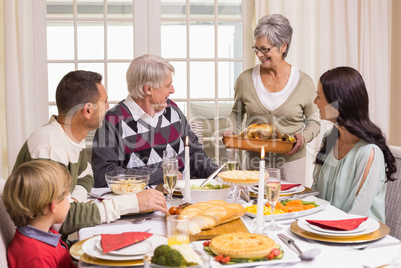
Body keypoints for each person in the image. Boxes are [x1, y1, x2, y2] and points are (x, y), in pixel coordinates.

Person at [13, 70, 168, 237]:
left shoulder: (70, 137)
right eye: (104, 102)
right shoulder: (49, 148)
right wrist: (131, 203)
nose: (109, 107)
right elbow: (58, 220)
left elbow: (86, 176)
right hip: (42, 249)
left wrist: (72, 201)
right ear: (87, 111)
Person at [91, 54, 218, 187]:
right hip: (141, 204)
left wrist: (219, 174)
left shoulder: (172, 109)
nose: (172, 90)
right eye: (168, 85)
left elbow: (193, 153)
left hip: (184, 198)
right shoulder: (113, 120)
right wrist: (159, 174)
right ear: (148, 89)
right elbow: (103, 174)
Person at [223, 14, 320, 184]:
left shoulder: (304, 82)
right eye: (256, 49)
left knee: (290, 207)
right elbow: (236, 114)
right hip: (254, 162)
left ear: (283, 46)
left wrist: (303, 137)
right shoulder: (245, 80)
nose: (259, 55)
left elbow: (314, 122)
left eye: (265, 49)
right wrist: (231, 130)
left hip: (292, 162)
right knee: (254, 205)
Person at [311, 66, 397, 223]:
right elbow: (315, 194)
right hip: (322, 229)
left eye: (319, 96)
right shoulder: (329, 139)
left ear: (337, 102)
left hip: (356, 239)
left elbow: (355, 216)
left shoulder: (368, 153)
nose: (315, 102)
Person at [2, 160, 76, 267]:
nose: (69, 202)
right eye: (66, 197)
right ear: (53, 206)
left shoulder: (46, 235)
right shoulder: (37, 258)